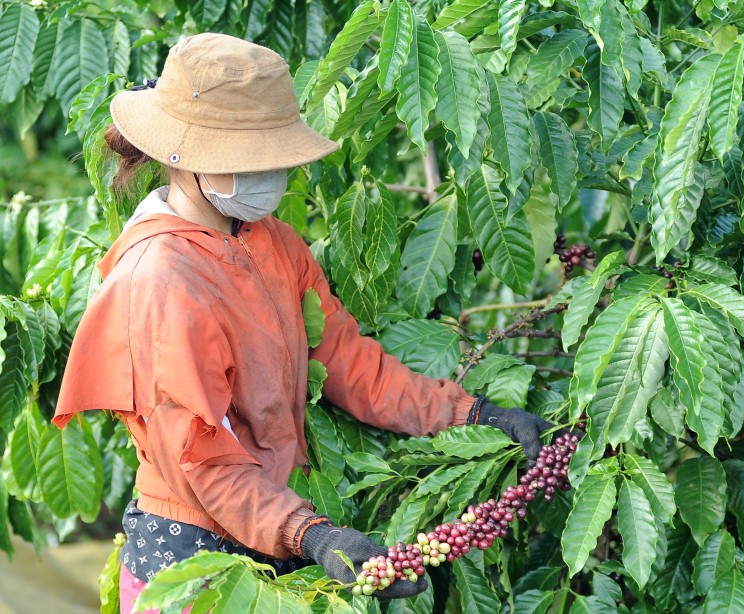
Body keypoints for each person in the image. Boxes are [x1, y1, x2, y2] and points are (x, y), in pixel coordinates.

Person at [52, 32, 555, 612]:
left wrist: (473, 413)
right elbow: (202, 461)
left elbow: (346, 361)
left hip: (274, 532)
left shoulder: (273, 242)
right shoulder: (161, 280)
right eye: (252, 159)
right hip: (191, 557)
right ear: (183, 158)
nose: (270, 173)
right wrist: (314, 535)